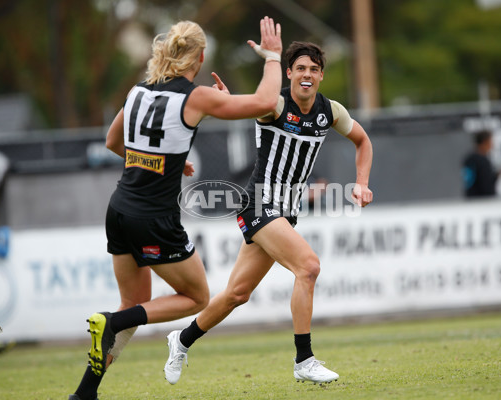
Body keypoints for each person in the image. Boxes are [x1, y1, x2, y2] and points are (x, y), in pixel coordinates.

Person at [68, 16, 282, 400]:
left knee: (134, 304)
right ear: (200, 58)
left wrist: (167, 157)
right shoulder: (195, 96)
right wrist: (272, 57)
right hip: (153, 218)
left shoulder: (137, 91)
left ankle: (84, 392)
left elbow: (113, 141)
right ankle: (112, 322)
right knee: (198, 298)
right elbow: (265, 102)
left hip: (118, 210)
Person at [165, 41, 373, 385]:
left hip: (285, 212)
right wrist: (227, 101)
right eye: (301, 68)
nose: (307, 75)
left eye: (314, 69)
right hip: (260, 203)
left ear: (321, 75)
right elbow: (247, 106)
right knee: (309, 267)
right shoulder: (274, 105)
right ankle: (304, 360)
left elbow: (363, 141)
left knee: (236, 294)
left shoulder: (330, 111)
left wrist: (361, 182)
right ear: (289, 73)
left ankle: (181, 340)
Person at [462, 130, 498, 197]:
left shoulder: (469, 159)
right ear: (485, 142)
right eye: (490, 142)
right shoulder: (482, 161)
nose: (492, 145)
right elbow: (486, 184)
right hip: (481, 201)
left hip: (472, 199)